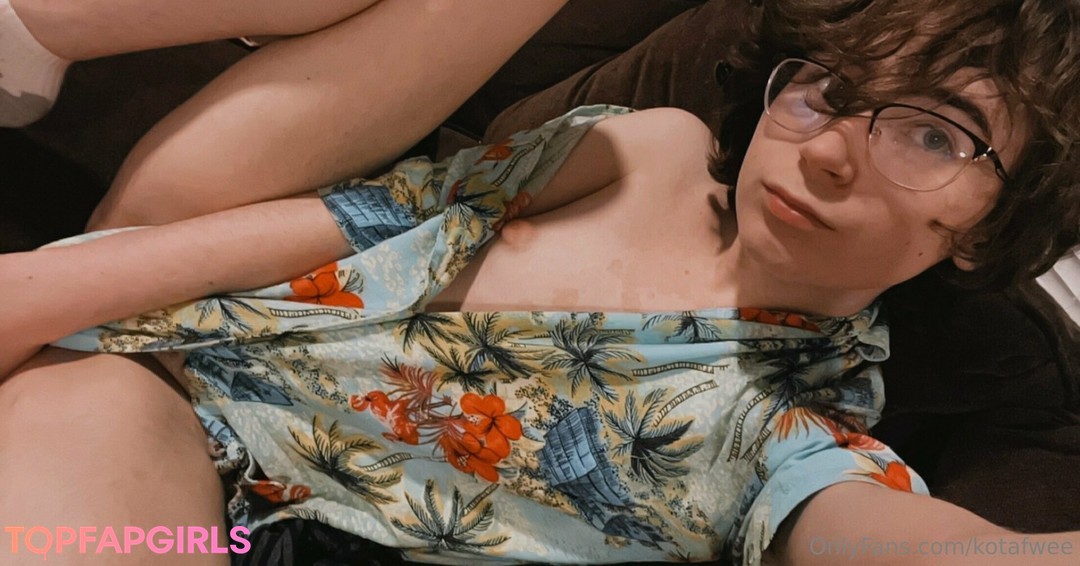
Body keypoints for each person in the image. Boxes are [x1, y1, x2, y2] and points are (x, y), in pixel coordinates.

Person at [2, 1, 1079, 565]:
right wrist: (45, 286)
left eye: (934, 135)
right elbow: (357, 222)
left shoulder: (803, 431)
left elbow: (903, 543)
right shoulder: (649, 149)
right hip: (166, 376)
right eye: (830, 92)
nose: (832, 149)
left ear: (991, 228)